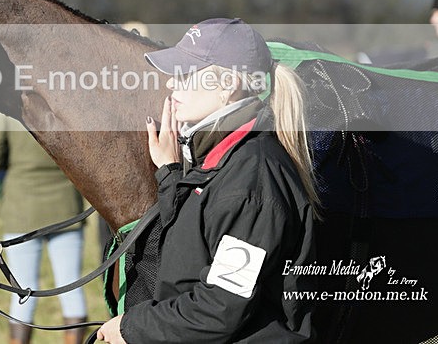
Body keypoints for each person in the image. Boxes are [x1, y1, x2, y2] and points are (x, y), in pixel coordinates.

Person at [98, 18, 318, 343]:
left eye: (186, 74)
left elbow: (220, 309)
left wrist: (131, 328)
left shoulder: (252, 180)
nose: (172, 85)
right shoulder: (226, 158)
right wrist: (172, 174)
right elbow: (192, 252)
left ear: (228, 85)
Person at [0, 112, 87, 344]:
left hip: (22, 212)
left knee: (22, 292)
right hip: (66, 208)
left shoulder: (7, 115)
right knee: (71, 287)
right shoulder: (64, 109)